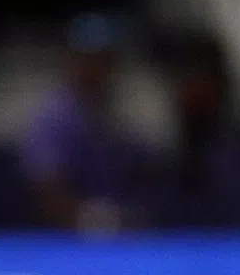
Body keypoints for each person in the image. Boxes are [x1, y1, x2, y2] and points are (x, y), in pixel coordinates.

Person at [20, 12, 148, 233]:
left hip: (116, 240)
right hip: (67, 244)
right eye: (93, 59)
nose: (102, 68)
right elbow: (45, 188)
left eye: (108, 59)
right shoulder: (57, 117)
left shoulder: (108, 112)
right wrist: (93, 219)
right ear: (74, 59)